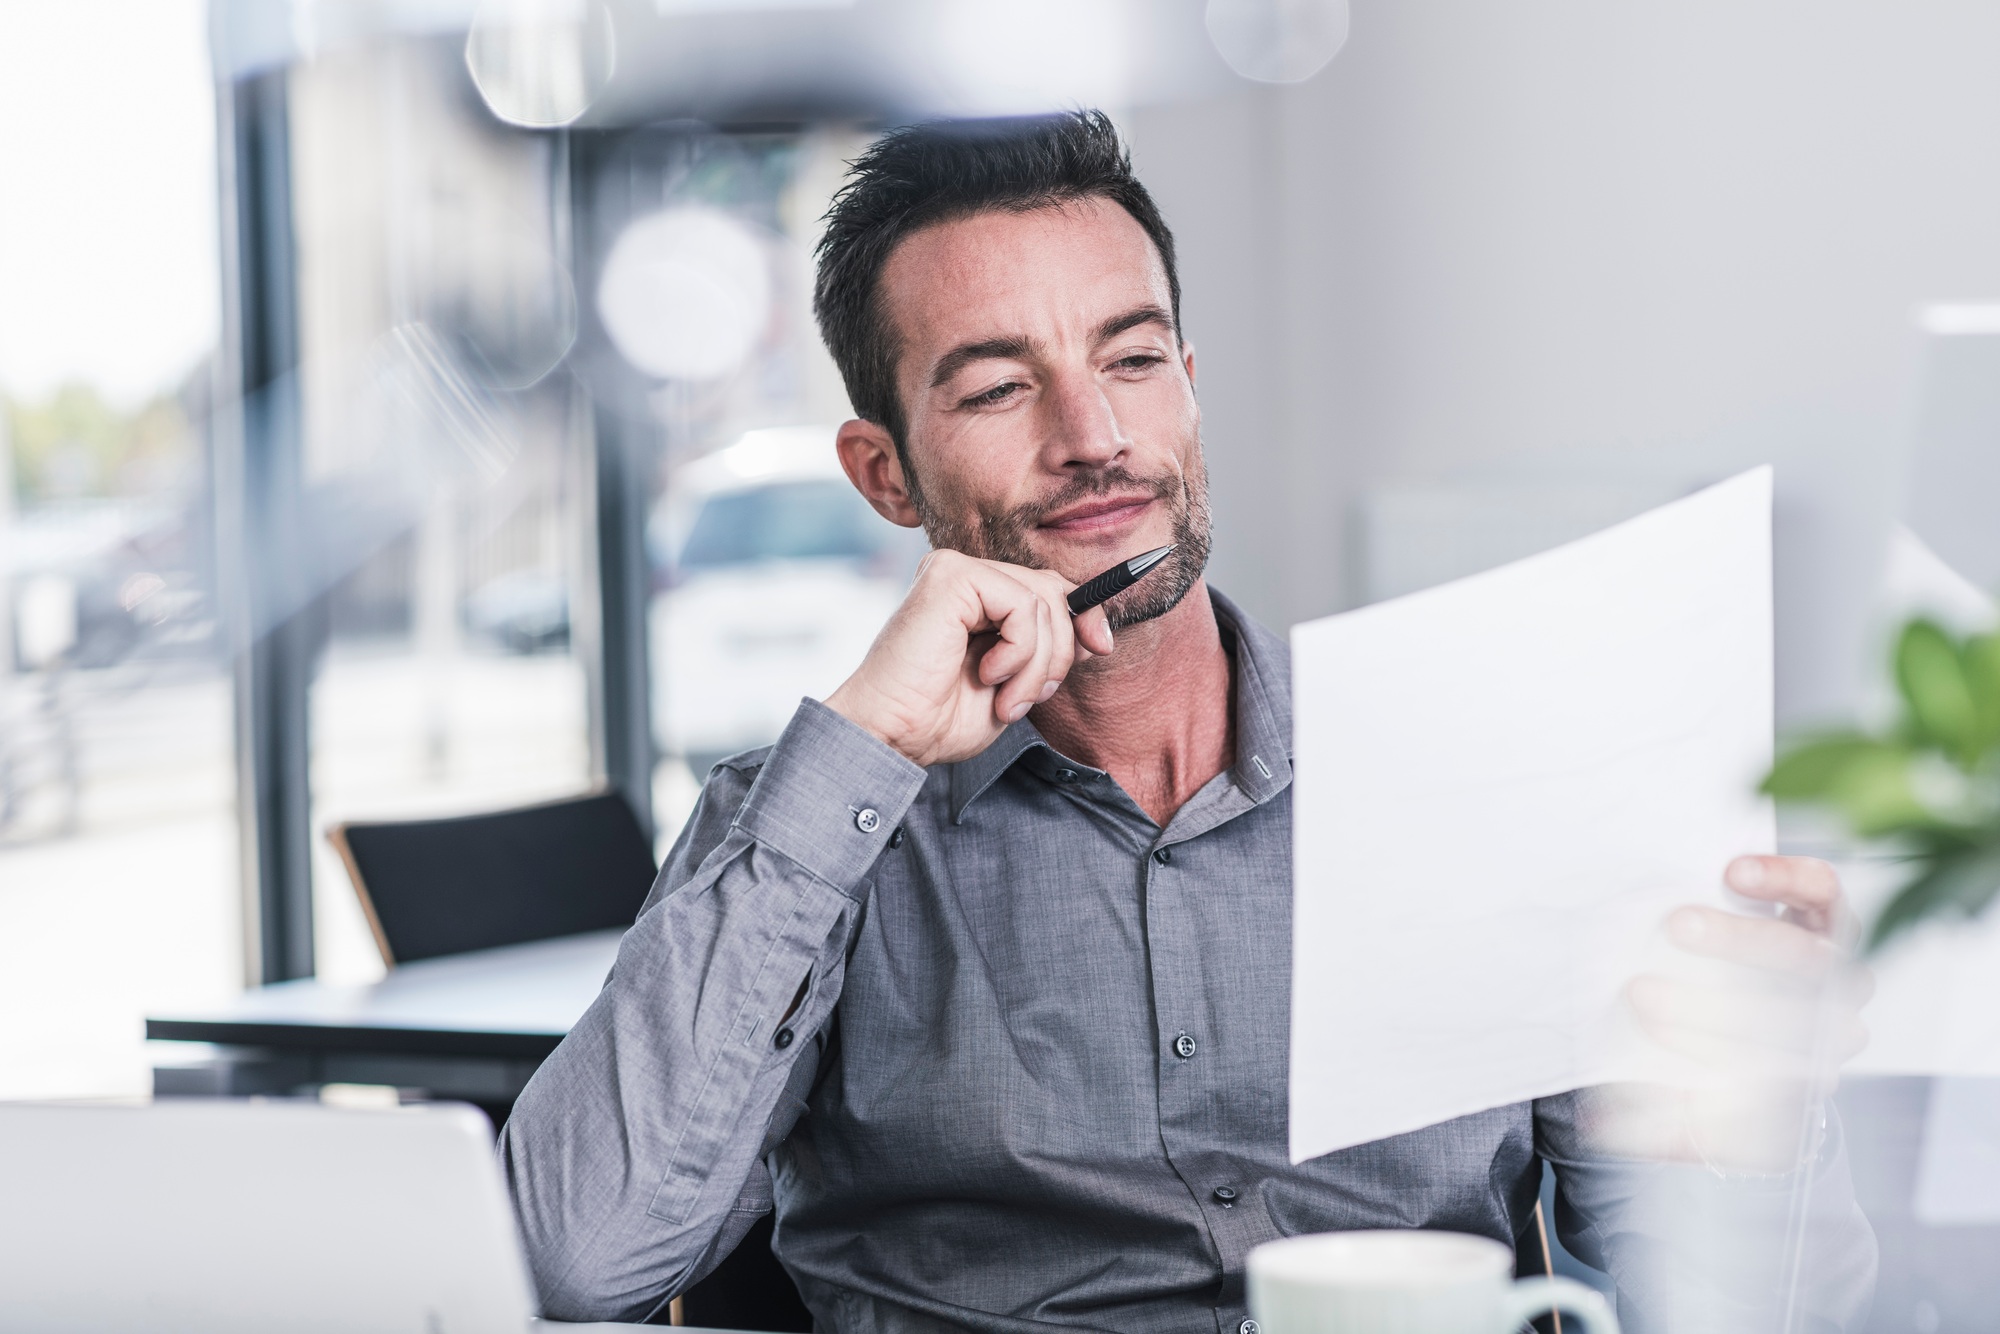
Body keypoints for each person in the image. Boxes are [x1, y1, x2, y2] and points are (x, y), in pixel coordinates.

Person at [502, 111, 1874, 1333]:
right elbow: (577, 1258)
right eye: (994, 385)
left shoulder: (1484, 775)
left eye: (1135, 356)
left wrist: (1761, 1121)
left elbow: (1724, 1305)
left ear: (1191, 385)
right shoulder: (813, 830)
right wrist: (863, 740)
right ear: (884, 475)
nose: (1094, 431)